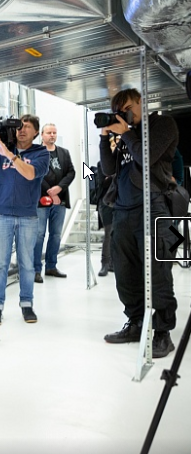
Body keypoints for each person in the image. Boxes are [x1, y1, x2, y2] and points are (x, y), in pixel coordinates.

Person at [99, 87, 179, 358]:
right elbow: (107, 169)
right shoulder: (125, 135)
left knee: (157, 272)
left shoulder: (162, 125)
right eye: (118, 111)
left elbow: (148, 158)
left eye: (128, 108)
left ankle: (163, 333)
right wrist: (104, 137)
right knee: (125, 273)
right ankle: (135, 323)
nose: (124, 114)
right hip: (122, 210)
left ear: (141, 103)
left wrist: (126, 133)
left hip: (153, 206)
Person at [0, 114, 49, 324]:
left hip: (28, 215)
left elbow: (30, 174)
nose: (22, 130)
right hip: (3, 214)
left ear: (36, 132)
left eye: (27, 126)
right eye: (19, 126)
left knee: (27, 263)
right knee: (0, 263)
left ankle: (27, 304)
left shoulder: (40, 153)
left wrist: (9, 155)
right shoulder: (2, 150)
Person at [34, 123, 76, 283]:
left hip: (60, 200)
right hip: (41, 200)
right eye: (49, 132)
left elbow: (71, 172)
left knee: (56, 235)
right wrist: (51, 193)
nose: (52, 135)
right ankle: (36, 270)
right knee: (39, 235)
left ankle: (51, 266)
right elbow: (36, 174)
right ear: (42, 135)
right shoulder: (35, 152)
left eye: (54, 132)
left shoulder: (64, 153)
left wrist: (59, 188)